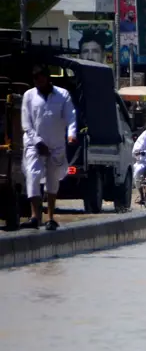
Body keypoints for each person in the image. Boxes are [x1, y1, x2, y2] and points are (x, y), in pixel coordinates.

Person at [21, 65, 77, 230]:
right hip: (34, 144)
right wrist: (37, 141)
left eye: (41, 79)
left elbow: (71, 117)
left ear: (47, 78)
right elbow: (26, 123)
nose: (38, 83)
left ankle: (50, 217)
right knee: (33, 175)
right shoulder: (29, 95)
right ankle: (35, 216)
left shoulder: (62, 95)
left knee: (53, 180)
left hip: (56, 144)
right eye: (35, 81)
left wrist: (71, 134)